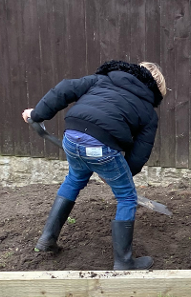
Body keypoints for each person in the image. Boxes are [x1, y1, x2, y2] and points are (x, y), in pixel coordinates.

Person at [22, 60, 167, 271]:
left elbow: (64, 89)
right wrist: (121, 173)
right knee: (126, 196)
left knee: (74, 179)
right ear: (156, 89)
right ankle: (124, 262)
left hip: (72, 137)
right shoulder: (148, 111)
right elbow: (139, 154)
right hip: (103, 148)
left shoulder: (101, 80)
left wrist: (36, 115)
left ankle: (47, 239)